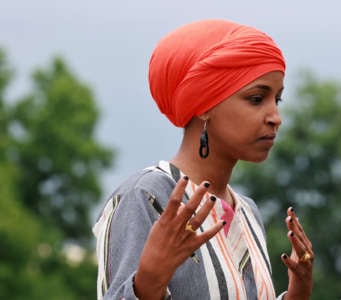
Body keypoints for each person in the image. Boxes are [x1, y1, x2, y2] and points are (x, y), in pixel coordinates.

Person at [93, 19, 314, 300]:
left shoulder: (247, 212)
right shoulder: (147, 197)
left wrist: (298, 293)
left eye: (277, 100)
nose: (275, 118)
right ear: (205, 104)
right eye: (257, 99)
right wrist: (147, 283)